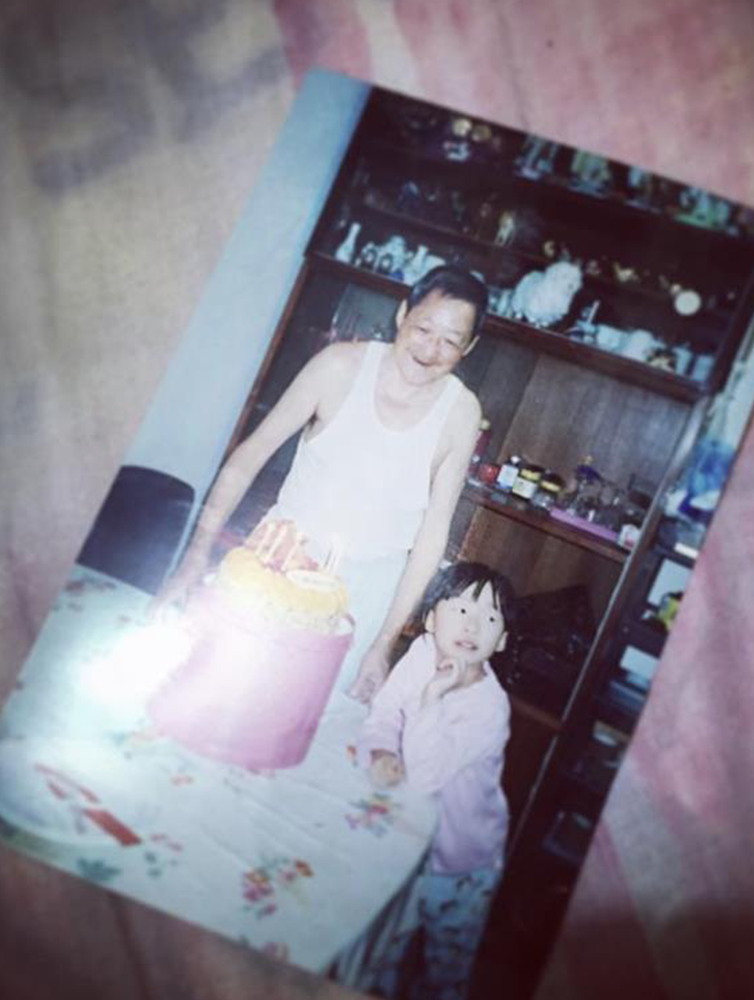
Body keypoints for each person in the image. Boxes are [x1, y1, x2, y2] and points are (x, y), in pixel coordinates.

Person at [154, 265, 489, 705]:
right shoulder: (339, 366)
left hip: (362, 598)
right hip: (276, 562)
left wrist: (382, 643)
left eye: (450, 341)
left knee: (304, 724)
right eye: (424, 328)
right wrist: (195, 556)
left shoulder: (461, 413)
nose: (430, 350)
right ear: (401, 312)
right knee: (211, 696)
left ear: (470, 347)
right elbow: (248, 459)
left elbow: (432, 536)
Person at [355, 562, 517, 1000]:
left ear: (501, 641)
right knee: (384, 951)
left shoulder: (490, 709)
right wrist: (383, 751)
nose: (472, 624)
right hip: (405, 840)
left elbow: (427, 775)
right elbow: (386, 713)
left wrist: (431, 697)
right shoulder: (423, 653)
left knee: (445, 969)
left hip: (459, 861)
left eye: (489, 617)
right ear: (430, 620)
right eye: (461, 608)